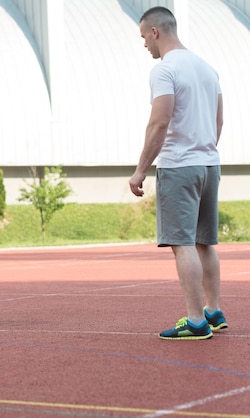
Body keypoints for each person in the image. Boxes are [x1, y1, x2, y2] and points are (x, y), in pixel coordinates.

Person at [129, 7, 226, 340]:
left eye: (144, 37)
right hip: (209, 163)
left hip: (179, 166)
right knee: (204, 243)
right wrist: (205, 150)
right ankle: (214, 311)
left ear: (155, 32)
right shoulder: (207, 68)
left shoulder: (165, 69)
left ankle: (196, 320)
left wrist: (140, 170)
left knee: (182, 244)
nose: (144, 45)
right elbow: (218, 121)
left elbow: (160, 121)